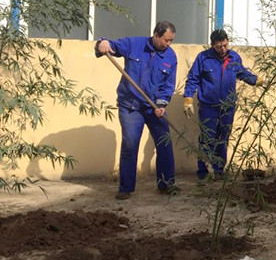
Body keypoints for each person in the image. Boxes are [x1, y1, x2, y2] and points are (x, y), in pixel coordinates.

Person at [95, 21, 178, 199]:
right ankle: (125, 188)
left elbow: (168, 85)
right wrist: (103, 43)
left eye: (171, 40)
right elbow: (111, 45)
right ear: (156, 35)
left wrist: (161, 105)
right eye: (166, 40)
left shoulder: (171, 57)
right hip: (131, 106)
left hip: (154, 107)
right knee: (130, 145)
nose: (168, 44)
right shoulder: (134, 44)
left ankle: (166, 185)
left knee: (164, 143)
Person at [183, 29, 263, 181]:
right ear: (212, 45)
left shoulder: (234, 57)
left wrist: (256, 80)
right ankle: (203, 173)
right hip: (208, 107)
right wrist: (188, 98)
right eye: (219, 47)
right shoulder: (203, 58)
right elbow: (193, 78)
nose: (223, 49)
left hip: (228, 106)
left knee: (223, 138)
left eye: (225, 45)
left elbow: (242, 73)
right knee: (207, 138)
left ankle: (219, 170)